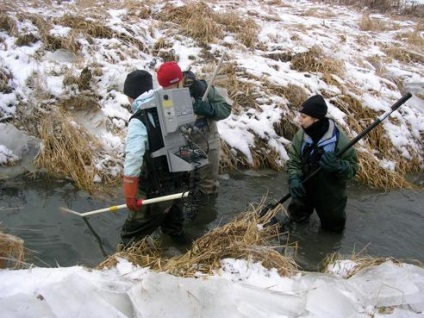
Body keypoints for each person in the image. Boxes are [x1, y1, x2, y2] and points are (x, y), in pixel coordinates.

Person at [121, 69, 188, 246]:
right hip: (179, 181)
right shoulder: (169, 103)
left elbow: (134, 156)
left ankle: (125, 266)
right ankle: (186, 259)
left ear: (132, 96)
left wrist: (130, 192)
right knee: (174, 230)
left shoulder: (139, 120)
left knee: (130, 238)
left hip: (155, 189)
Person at [157, 62, 232, 216]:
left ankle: (205, 216)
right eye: (165, 88)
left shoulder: (200, 88)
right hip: (181, 141)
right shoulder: (163, 97)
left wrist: (209, 109)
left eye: (172, 86)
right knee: (185, 183)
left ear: (179, 79)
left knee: (207, 184)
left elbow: (226, 109)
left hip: (206, 138)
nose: (169, 91)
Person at [284, 94, 359, 232]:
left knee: (332, 231)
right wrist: (294, 177)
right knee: (295, 224)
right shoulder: (301, 136)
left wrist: (338, 166)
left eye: (304, 116)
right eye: (300, 115)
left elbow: (353, 168)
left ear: (316, 119)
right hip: (304, 185)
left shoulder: (338, 139)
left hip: (329, 193)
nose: (299, 119)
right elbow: (293, 161)